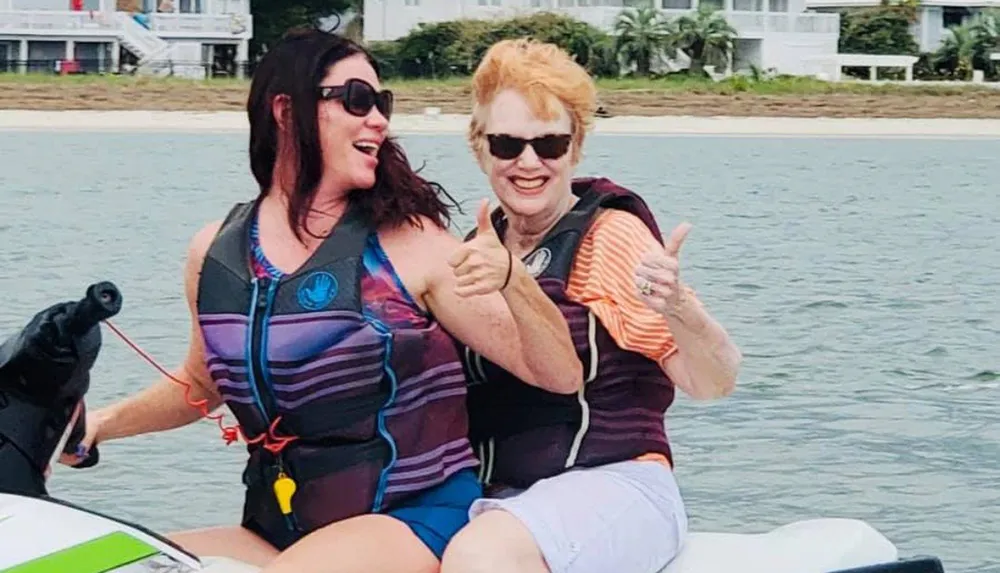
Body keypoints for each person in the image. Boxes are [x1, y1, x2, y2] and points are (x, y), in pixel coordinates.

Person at [60, 29, 583, 573]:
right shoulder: (214, 253)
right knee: (93, 565)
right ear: (286, 111)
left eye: (383, 104)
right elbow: (200, 385)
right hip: (275, 529)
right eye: (358, 100)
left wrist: (513, 280)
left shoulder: (411, 245)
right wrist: (99, 424)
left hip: (413, 520)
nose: (378, 119)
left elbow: (557, 372)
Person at [439, 39, 743, 573]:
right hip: (507, 494)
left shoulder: (612, 239)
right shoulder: (475, 249)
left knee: (480, 554)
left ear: (575, 148)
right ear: (479, 146)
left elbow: (712, 383)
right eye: (508, 144)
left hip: (617, 482)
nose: (528, 162)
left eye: (550, 144)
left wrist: (679, 309)